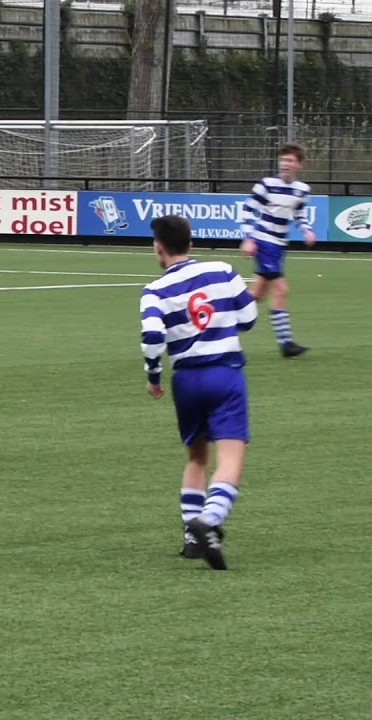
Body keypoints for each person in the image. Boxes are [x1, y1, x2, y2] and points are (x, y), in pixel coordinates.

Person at [142, 215, 258, 571]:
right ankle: (209, 520)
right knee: (232, 456)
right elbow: (250, 317)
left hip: (187, 379)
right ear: (191, 244)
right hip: (224, 374)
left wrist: (154, 377)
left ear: (158, 248)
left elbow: (151, 338)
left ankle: (193, 540)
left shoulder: (154, 291)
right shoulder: (223, 270)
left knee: (197, 458)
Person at [238, 143, 316, 358]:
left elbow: (298, 214)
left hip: (279, 245)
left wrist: (307, 231)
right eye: (283, 160)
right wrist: (249, 238)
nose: (285, 164)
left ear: (300, 164)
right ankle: (286, 344)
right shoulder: (266, 185)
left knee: (257, 294)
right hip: (264, 242)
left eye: (290, 160)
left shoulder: (302, 190)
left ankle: (218, 322)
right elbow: (247, 209)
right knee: (282, 290)